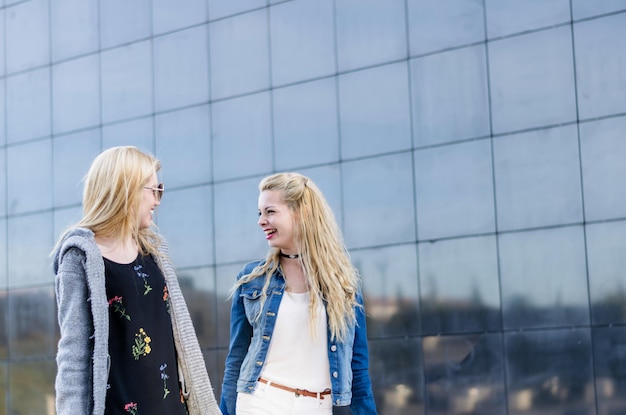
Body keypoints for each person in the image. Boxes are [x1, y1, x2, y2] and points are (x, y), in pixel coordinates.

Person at [52, 146, 221, 415]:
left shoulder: (155, 252)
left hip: (170, 406)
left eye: (159, 190)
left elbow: (182, 337)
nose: (157, 200)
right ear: (126, 189)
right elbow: (73, 354)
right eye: (152, 190)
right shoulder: (80, 256)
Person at [220, 172, 378, 415]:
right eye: (260, 213)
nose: (261, 221)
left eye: (270, 211)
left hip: (321, 405)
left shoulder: (343, 282)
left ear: (301, 212)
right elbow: (237, 356)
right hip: (261, 401)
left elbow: (357, 365)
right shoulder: (251, 279)